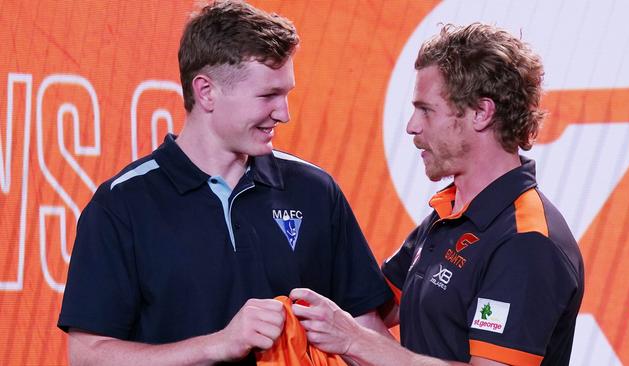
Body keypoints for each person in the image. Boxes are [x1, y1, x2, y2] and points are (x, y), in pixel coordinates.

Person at [57, 1, 392, 365]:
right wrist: (217, 345)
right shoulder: (122, 205)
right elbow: (88, 356)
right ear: (206, 92)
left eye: (286, 93)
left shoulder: (315, 191)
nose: (284, 113)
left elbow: (365, 331)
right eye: (268, 96)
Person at [290, 23, 585, 366]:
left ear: (481, 113)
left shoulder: (528, 241)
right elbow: (367, 310)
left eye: (426, 109)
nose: (412, 125)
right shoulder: (448, 214)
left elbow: (359, 333)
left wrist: (355, 341)